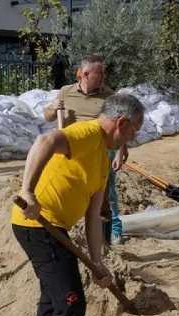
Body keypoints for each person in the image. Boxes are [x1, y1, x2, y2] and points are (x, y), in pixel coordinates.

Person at [12, 94, 144, 316]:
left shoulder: (102, 156)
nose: (134, 138)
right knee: (72, 301)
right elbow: (45, 140)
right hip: (37, 225)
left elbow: (93, 214)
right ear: (121, 123)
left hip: (56, 230)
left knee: (54, 298)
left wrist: (98, 263)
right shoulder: (85, 135)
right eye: (134, 131)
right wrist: (28, 190)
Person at [44, 54, 127, 245]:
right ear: (83, 74)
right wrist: (53, 108)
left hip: (100, 153)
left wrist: (120, 151)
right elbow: (47, 116)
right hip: (72, 152)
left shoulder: (109, 96)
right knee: (68, 193)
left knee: (104, 197)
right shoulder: (66, 92)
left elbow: (120, 126)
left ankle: (108, 239)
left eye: (104, 74)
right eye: (99, 74)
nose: (103, 78)